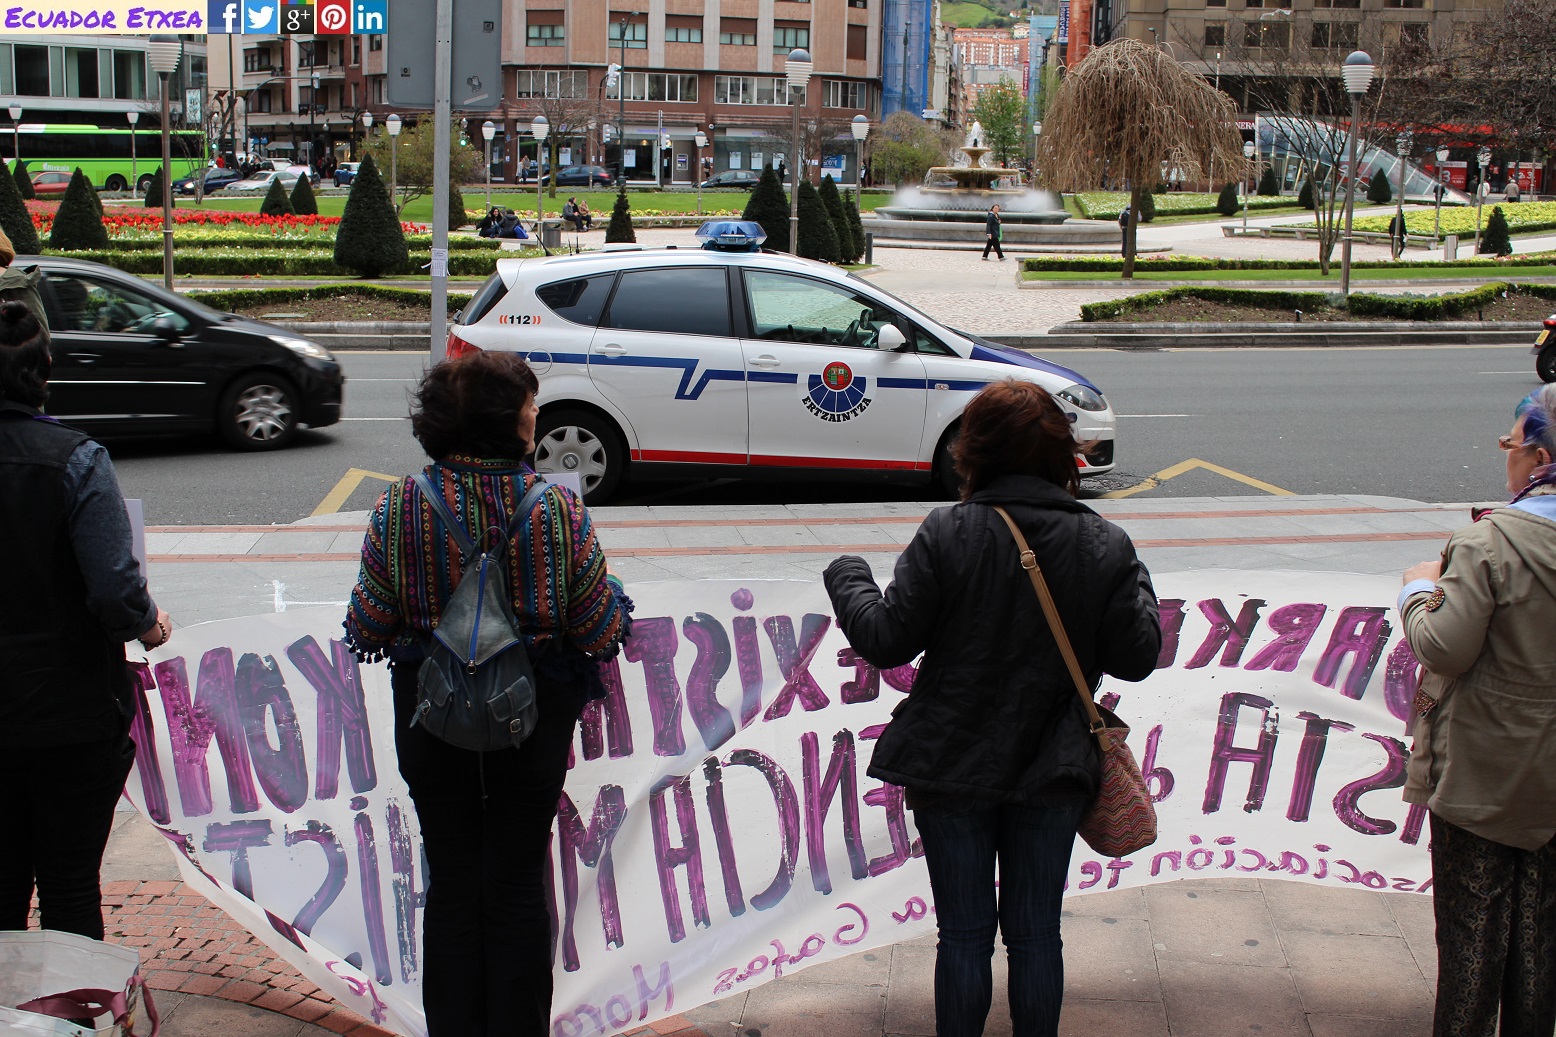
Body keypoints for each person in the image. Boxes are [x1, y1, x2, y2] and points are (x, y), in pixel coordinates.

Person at [823, 379, 1162, 1037]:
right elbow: (1137, 655)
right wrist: (1135, 579)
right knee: (1036, 934)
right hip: (1054, 766)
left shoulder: (948, 532)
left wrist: (849, 576)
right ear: (1063, 455)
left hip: (950, 761)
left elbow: (885, 638)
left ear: (971, 452)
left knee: (964, 934)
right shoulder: (1104, 542)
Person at [344, 351, 632, 1037]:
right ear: (506, 419)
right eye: (531, 403)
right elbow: (599, 629)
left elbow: (368, 624)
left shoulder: (401, 505)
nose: (538, 414)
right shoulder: (557, 509)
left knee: (450, 882)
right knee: (515, 882)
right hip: (531, 725)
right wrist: (613, 592)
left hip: (431, 719)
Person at [0, 299, 172, 942]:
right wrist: (151, 623)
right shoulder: (75, 460)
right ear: (43, 372)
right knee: (70, 883)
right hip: (69, 708)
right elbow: (115, 590)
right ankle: (69, 1000)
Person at [1398, 384, 1556, 1037]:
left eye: (1510, 441)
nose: (1505, 452)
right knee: (1539, 940)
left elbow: (1445, 646)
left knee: (1472, 939)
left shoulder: (1489, 543)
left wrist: (1416, 590)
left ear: (1540, 456)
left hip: (1482, 772)